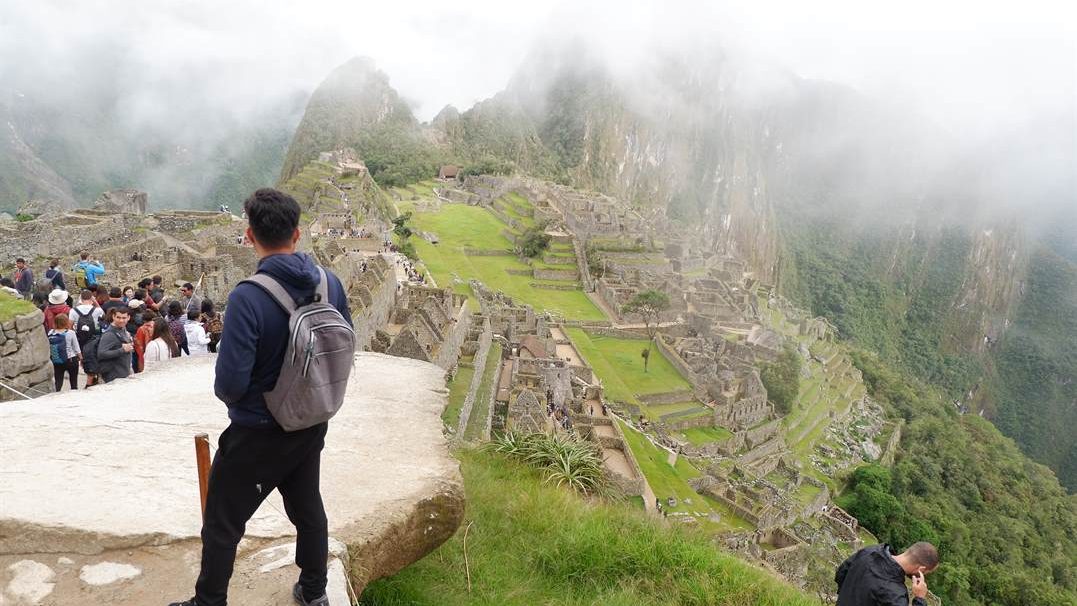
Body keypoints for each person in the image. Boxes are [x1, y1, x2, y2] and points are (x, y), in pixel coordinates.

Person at [169, 188, 351, 606]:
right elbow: (343, 345)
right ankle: (314, 591)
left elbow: (230, 382)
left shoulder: (248, 297)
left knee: (222, 521)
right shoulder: (331, 284)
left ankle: (209, 601)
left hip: (258, 432)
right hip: (311, 421)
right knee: (308, 509)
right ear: (298, 233)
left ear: (250, 236)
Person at [835, 542, 938, 606]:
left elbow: (841, 573)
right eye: (925, 573)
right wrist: (920, 599)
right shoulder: (895, 594)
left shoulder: (869, 551)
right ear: (921, 569)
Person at [96, 306, 134, 383]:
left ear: (128, 318)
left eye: (124, 318)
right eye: (118, 317)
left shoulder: (123, 329)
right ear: (113, 317)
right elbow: (101, 353)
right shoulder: (109, 334)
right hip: (113, 377)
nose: (121, 320)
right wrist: (122, 350)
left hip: (123, 374)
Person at [48, 315, 81, 391]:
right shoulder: (71, 333)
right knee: (73, 382)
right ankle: (74, 397)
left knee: (58, 382)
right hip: (71, 360)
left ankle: (56, 396)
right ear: (66, 322)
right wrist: (81, 357)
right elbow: (76, 348)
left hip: (57, 360)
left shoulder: (51, 333)